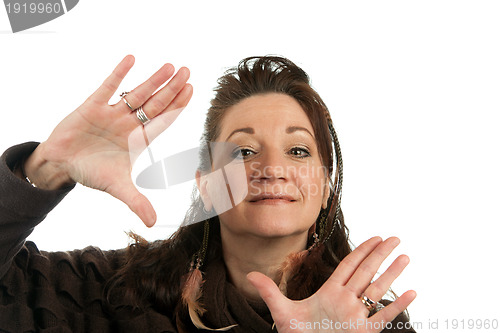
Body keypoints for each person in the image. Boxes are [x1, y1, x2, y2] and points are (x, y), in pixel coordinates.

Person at [0, 55, 417, 332]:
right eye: (242, 151)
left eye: (297, 150)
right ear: (206, 184)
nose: (271, 169)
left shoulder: (365, 322)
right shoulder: (112, 290)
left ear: (326, 187)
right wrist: (44, 170)